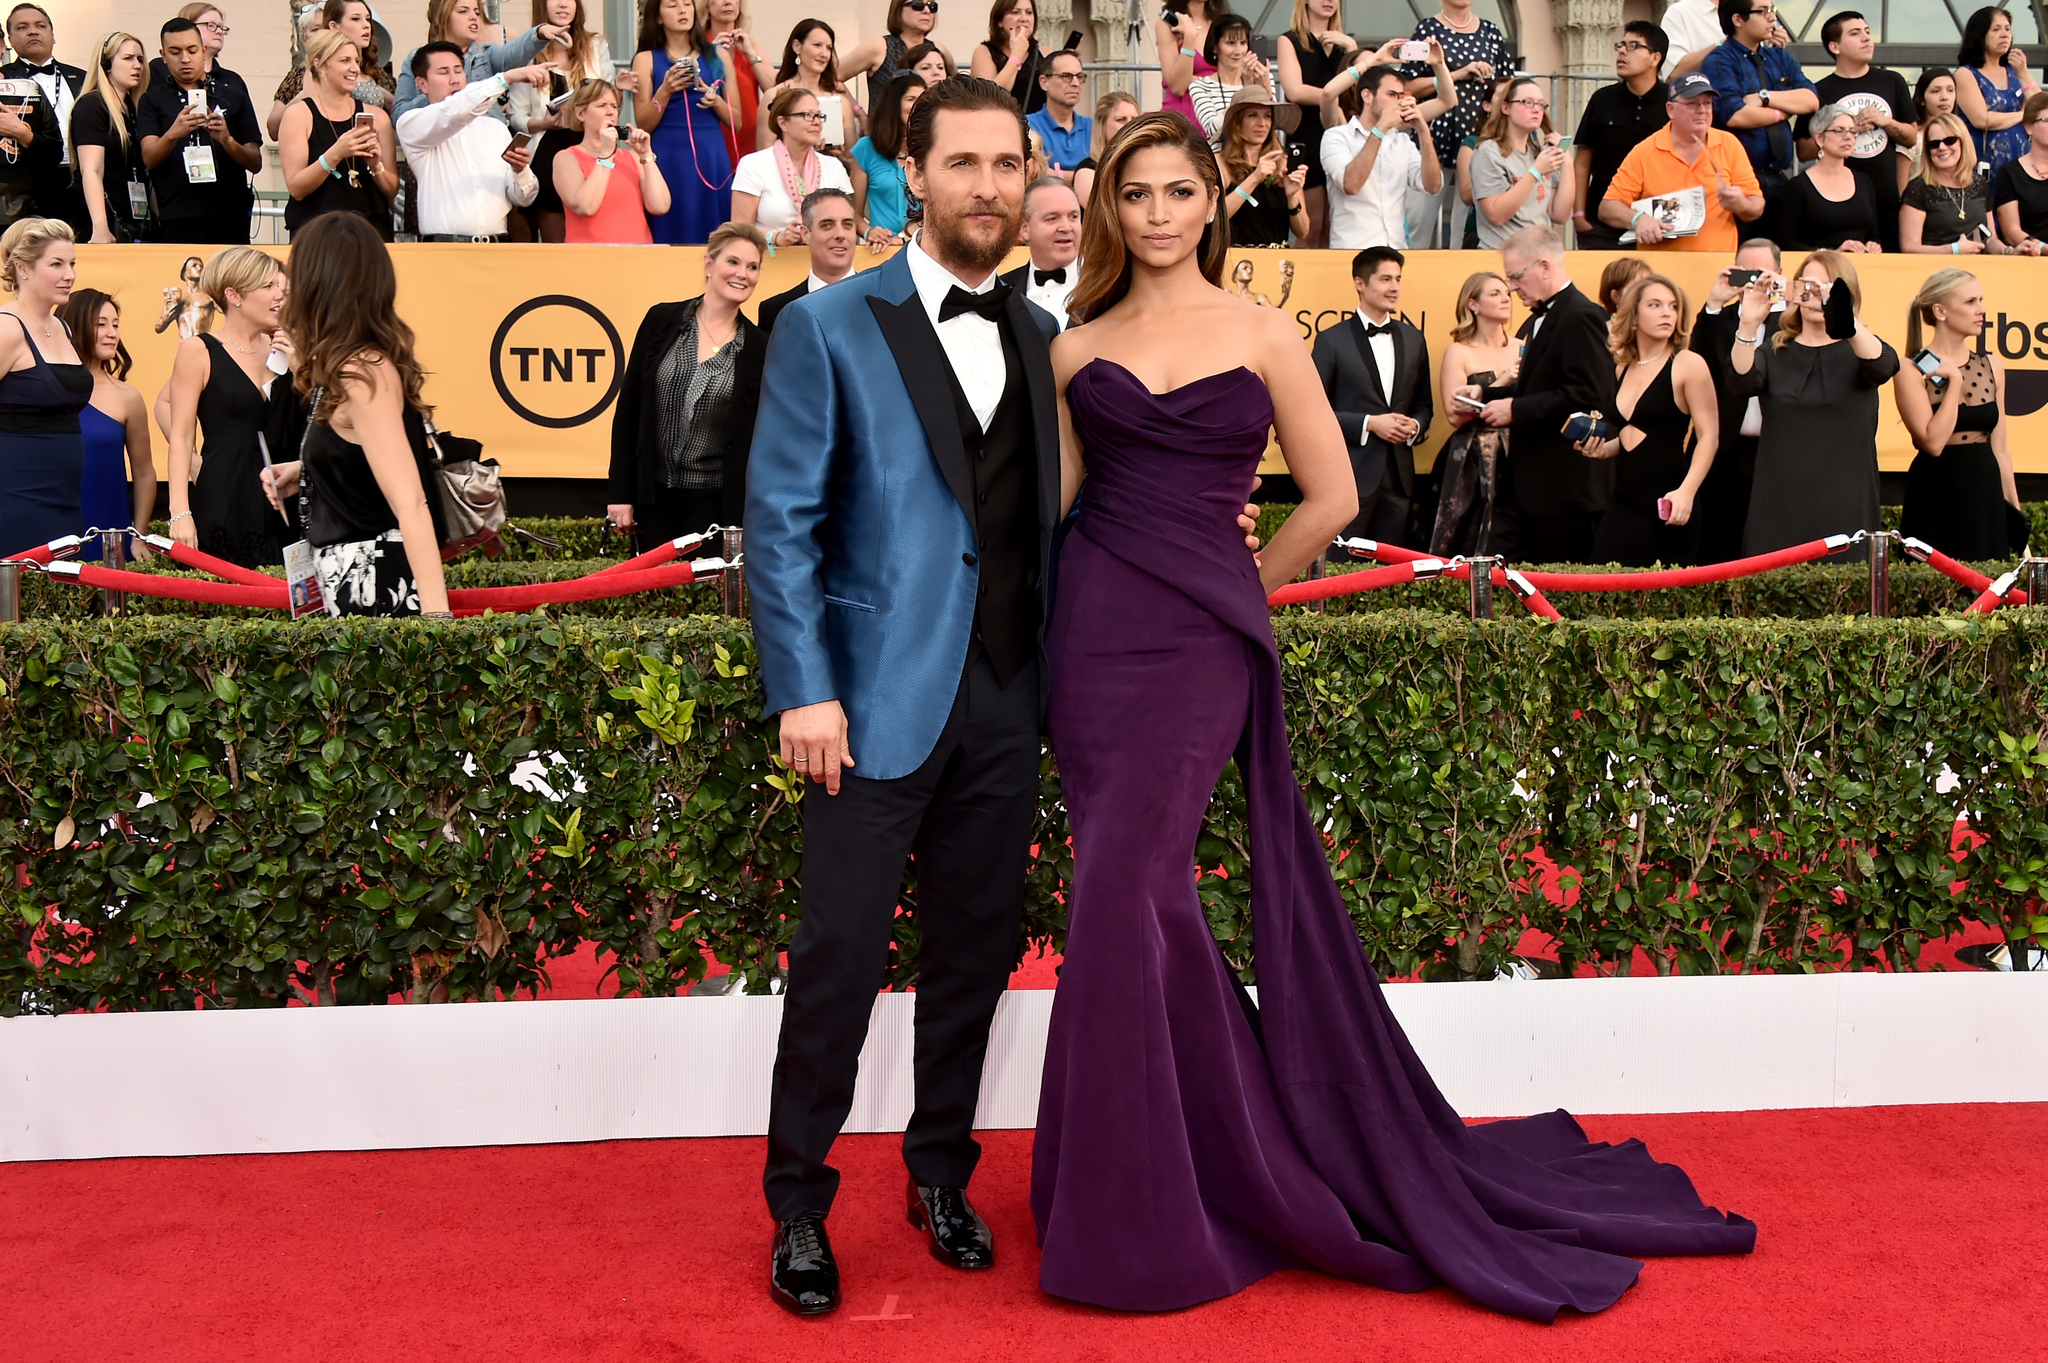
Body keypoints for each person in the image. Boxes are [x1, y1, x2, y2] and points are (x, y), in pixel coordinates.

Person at [1035, 108, 1756, 1317]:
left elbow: (1323, 497)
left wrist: (1235, 592)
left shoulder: (1266, 333)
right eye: (1134, 195)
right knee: (1134, 891)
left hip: (1203, 640)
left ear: (1212, 202)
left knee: (1124, 884)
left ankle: (1158, 1181)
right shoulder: (1071, 345)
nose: (1156, 214)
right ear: (1110, 210)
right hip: (1093, 637)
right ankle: (1190, 1151)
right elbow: (1048, 505)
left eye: (1176, 191)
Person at [743, 75, 1065, 1318]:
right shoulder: (827, 324)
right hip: (867, 701)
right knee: (834, 959)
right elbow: (779, 527)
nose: (987, 187)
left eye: (1006, 165)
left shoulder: (1044, 338)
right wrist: (804, 691)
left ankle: (939, 1175)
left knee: (974, 957)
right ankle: (797, 1204)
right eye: (964, 164)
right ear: (911, 177)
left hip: (1005, 699)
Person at [261, 215, 450, 619]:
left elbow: (411, 503)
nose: (287, 290)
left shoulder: (361, 371)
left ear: (319, 284)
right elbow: (365, 454)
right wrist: (306, 469)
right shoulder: (348, 367)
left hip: (374, 590)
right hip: (353, 584)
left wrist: (438, 627)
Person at [1458, 226, 1616, 564]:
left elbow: (1588, 394)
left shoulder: (1582, 315)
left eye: (1515, 277)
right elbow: (1539, 385)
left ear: (1544, 267)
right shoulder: (1537, 320)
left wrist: (1516, 409)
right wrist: (1485, 392)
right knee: (1494, 575)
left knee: (1560, 592)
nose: (1512, 288)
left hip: (1564, 490)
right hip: (1527, 487)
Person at [1728, 249, 1900, 559]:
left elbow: (1885, 365)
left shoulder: (1861, 350)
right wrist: (1748, 323)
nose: (1815, 295)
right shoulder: (1774, 351)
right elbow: (1740, 382)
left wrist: (1843, 316)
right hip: (1778, 507)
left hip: (1844, 507)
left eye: (1826, 288)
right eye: (1807, 285)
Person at [608, 220, 766, 551]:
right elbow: (629, 409)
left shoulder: (759, 348)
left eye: (753, 267)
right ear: (709, 264)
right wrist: (620, 495)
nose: (743, 274)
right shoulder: (661, 321)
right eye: (733, 262)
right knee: (652, 597)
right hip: (652, 500)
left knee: (705, 598)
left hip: (716, 506)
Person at [164, 246, 298, 568]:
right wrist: (179, 511)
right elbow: (182, 436)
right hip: (223, 500)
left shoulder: (291, 346)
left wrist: (302, 366)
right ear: (233, 295)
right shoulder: (199, 351)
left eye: (280, 288)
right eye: (268, 287)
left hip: (286, 502)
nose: (279, 296)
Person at [1575, 274, 1718, 567]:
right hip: (1623, 502)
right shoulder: (1622, 367)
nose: (1667, 312)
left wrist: (1686, 492)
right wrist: (1605, 449)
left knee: (1663, 601)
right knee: (1604, 589)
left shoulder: (1688, 364)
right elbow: (1638, 431)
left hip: (1669, 500)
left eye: (1673, 306)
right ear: (1634, 317)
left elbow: (1709, 436)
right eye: (1655, 305)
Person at [1896, 268, 2023, 561]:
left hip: (1984, 491)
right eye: (1970, 302)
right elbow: (1933, 442)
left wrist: (2014, 510)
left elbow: (2001, 447)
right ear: (1940, 311)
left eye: (1980, 299)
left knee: (1990, 592)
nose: (1981, 310)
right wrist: (1954, 383)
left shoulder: (1993, 365)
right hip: (1935, 492)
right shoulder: (1910, 369)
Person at [1312, 245, 1427, 547]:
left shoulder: (1414, 339)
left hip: (1400, 478)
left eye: (1398, 279)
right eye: (1385, 279)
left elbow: (1424, 404)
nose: (1394, 288)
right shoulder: (1331, 340)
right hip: (1349, 475)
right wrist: (1369, 423)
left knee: (1392, 571)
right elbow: (1311, 412)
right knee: (1343, 567)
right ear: (1360, 283)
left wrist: (1415, 427)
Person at [1688, 237, 1781, 563]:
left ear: (1779, 274)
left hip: (1777, 450)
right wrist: (1715, 302)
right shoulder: (1719, 319)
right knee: (1717, 541)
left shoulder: (1794, 322)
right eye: (1746, 272)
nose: (1754, 280)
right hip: (1725, 450)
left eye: (1763, 272)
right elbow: (1698, 360)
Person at [0, 217, 88, 558]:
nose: (69, 275)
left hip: (66, 500)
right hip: (15, 501)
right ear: (23, 269)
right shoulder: (8, 328)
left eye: (72, 264)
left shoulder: (62, 327)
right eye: (57, 264)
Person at [1600, 72, 1764, 254]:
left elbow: (1756, 205)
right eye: (1693, 103)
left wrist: (1742, 205)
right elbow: (1608, 207)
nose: (1702, 110)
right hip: (1660, 272)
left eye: (1707, 103)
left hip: (1717, 266)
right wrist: (1638, 219)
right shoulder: (1645, 151)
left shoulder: (1729, 144)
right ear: (1671, 109)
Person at [396, 43, 545, 241]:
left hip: (497, 247)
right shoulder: (412, 123)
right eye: (443, 72)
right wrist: (505, 79)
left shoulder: (495, 128)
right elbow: (452, 111)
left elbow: (523, 198)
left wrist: (520, 171)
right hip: (444, 249)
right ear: (422, 84)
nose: (454, 80)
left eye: (459, 71)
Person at [136, 17, 262, 245]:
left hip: (230, 215)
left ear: (203, 51)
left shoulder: (232, 93)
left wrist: (227, 140)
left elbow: (255, 162)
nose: (185, 59)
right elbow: (149, 158)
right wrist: (174, 133)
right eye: (175, 52)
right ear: (163, 55)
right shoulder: (152, 99)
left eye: (191, 50)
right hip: (177, 216)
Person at [1701, 0, 1818, 241]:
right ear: (1738, 19)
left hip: (1779, 176)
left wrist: (1765, 98)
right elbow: (1735, 115)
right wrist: (1782, 112)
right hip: (1739, 180)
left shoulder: (1779, 58)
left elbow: (1810, 100)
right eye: (1763, 12)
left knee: (1779, 253)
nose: (1772, 18)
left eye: (1772, 11)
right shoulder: (1720, 60)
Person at [1399, 0, 1510, 248]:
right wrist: (1458, 74)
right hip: (1434, 137)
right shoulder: (1427, 29)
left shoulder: (1491, 32)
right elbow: (1408, 86)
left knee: (1464, 225)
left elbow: (1507, 85)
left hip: (1477, 138)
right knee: (1419, 220)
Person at [58, 287, 155, 562]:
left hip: (110, 536)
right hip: (52, 533)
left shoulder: (128, 397)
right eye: (101, 324)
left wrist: (139, 534)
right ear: (74, 324)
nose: (112, 333)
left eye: (115, 325)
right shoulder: (44, 389)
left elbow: (145, 472)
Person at [631, 0, 734, 245]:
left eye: (687, 4)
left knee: (713, 228)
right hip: (668, 153)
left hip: (710, 151)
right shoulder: (646, 59)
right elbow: (644, 123)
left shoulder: (717, 55)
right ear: (657, 16)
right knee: (669, 221)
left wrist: (715, 99)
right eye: (672, 5)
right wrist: (665, 91)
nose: (682, 10)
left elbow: (736, 119)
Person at [279, 29, 399, 238]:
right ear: (320, 65)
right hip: (317, 232)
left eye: (356, 60)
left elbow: (391, 190)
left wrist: (375, 165)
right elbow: (297, 187)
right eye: (345, 60)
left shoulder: (378, 117)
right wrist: (335, 154)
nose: (354, 68)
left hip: (370, 231)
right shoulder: (298, 115)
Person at [1811, 11, 1913, 253]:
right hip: (1839, 207)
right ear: (1834, 46)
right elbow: (1804, 148)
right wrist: (1848, 129)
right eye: (1855, 34)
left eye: (1867, 32)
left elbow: (1910, 137)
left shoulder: (1892, 81)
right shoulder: (1819, 90)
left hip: (1887, 202)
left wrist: (1885, 121)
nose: (1867, 38)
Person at [1430, 269, 1516, 555]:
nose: (1506, 299)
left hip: (1519, 452)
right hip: (1472, 460)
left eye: (1507, 293)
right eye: (1495, 294)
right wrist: (1502, 382)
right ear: (1473, 304)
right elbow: (1454, 414)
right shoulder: (1459, 351)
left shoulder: (1522, 347)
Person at [1320, 65, 1441, 251]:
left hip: (1395, 249)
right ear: (1367, 96)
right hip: (1352, 250)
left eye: (1401, 96)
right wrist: (1381, 129)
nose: (1398, 103)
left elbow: (1433, 186)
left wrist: (1423, 130)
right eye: (1392, 95)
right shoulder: (1336, 136)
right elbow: (1351, 184)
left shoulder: (1403, 142)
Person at [1570, 21, 1668, 251]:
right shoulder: (1602, 99)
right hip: (1601, 221)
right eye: (1621, 45)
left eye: (1634, 46)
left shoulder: (1673, 101)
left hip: (1658, 222)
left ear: (1655, 58)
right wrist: (1579, 214)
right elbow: (1582, 161)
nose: (1622, 51)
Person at [394, 0, 563, 124]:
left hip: (488, 147)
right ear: (441, 18)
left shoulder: (486, 55)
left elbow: (512, 53)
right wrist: (434, 97)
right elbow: (399, 115)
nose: (473, 17)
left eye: (476, 12)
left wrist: (539, 33)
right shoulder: (416, 58)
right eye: (463, 11)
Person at [1276, 0, 1355, 248]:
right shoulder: (1289, 40)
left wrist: (1352, 48)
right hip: (1306, 134)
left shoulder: (1345, 43)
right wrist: (1331, 96)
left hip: (1340, 132)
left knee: (1334, 226)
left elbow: (1360, 89)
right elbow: (1295, 90)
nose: (1329, 1)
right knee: (1311, 225)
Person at [733, 87, 853, 245]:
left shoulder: (833, 166)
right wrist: (776, 238)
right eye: (808, 115)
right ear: (783, 123)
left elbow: (848, 221)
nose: (816, 122)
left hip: (824, 257)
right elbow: (739, 228)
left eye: (819, 116)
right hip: (772, 259)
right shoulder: (754, 164)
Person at [4, 4, 84, 232]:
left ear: (53, 35)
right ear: (10, 38)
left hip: (79, 179)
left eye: (40, 26)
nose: (33, 31)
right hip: (28, 188)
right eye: (22, 27)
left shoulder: (82, 78)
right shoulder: (4, 79)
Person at [555, 79, 666, 243]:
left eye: (614, 106)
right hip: (591, 258)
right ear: (581, 114)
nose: (610, 112)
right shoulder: (566, 158)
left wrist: (647, 155)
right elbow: (586, 206)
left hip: (635, 256)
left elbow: (660, 206)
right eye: (602, 106)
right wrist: (606, 154)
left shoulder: (632, 158)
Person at [266, 0, 395, 142]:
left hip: (374, 151)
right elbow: (315, 124)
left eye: (368, 19)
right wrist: (306, 94)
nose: (366, 25)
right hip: (334, 152)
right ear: (334, 26)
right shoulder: (318, 68)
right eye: (356, 19)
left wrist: (386, 97)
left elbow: (397, 114)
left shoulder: (376, 71)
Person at [1470, 76, 1573, 250]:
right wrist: (1535, 173)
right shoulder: (1489, 151)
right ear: (1505, 107)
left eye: (1541, 104)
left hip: (1540, 254)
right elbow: (1496, 214)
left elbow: (1560, 215)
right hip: (1502, 255)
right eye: (1527, 102)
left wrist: (1567, 162)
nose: (1537, 110)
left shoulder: (1541, 153)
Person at [71, 32, 151, 244]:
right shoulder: (92, 106)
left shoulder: (133, 109)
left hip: (135, 219)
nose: (137, 66)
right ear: (106, 64)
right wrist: (101, 228)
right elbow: (92, 170)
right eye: (128, 58)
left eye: (140, 59)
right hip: (104, 221)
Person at [755, 186, 857, 336]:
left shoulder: (884, 302)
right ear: (805, 234)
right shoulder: (775, 312)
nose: (840, 234)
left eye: (847, 225)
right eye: (827, 225)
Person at [1214, 85, 1307, 248]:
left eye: (1268, 116)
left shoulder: (1284, 163)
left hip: (1277, 261)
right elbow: (1214, 218)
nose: (1262, 123)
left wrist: (1292, 197)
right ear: (1237, 121)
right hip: (1237, 261)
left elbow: (1303, 231)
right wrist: (1255, 179)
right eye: (1252, 115)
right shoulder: (1221, 163)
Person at [1784, 104, 1881, 251]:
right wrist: (1831, 253)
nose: (1848, 136)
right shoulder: (1798, 186)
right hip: (1819, 268)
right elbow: (1786, 242)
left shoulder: (1864, 182)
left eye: (1852, 131)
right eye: (1839, 131)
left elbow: (1873, 235)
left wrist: (1874, 245)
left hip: (1862, 266)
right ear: (1819, 138)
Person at [1902, 113, 2000, 254]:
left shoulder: (1979, 183)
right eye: (1934, 144)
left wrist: (2010, 251)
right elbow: (1909, 248)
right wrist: (1953, 249)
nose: (1942, 147)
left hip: (1979, 269)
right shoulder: (1918, 189)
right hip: (1938, 272)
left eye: (1950, 140)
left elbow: (1991, 239)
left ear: (1962, 142)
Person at [1954, 5, 2032, 183]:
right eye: (1996, 29)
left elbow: (2039, 109)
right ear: (1980, 36)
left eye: (2007, 29)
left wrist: (2025, 74)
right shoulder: (1966, 74)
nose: (2004, 34)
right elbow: (1982, 119)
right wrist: (2023, 115)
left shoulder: (2015, 72)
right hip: (1984, 164)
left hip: (2021, 161)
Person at [761, 20, 859, 152]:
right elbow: (764, 150)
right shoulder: (774, 96)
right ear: (797, 46)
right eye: (817, 45)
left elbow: (852, 156)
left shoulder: (841, 101)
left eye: (829, 48)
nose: (824, 54)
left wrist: (834, 156)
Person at [999, 175, 1081, 327]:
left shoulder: (1109, 285)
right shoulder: (1000, 289)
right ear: (1025, 229)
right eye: (1052, 218)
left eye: (1073, 217)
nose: (1066, 227)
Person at [852, 73, 922, 242]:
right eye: (911, 99)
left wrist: (904, 237)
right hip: (883, 248)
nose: (918, 105)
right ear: (893, 105)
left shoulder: (931, 148)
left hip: (923, 245)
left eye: (922, 99)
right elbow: (854, 214)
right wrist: (870, 233)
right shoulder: (866, 148)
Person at [1187, 15, 1271, 150]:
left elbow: (1276, 125)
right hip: (1222, 159)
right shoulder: (1201, 87)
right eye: (1230, 43)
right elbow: (1213, 131)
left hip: (1260, 157)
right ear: (1215, 47)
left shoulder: (1262, 78)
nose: (1238, 51)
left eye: (1243, 43)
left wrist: (1264, 85)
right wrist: (1247, 91)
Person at [701, 0, 769, 162]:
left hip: (749, 141)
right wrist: (710, 55)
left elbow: (774, 90)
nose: (727, 2)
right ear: (707, 6)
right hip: (714, 137)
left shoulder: (750, 45)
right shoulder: (699, 46)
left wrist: (751, 55)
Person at [1453, 72, 1514, 250]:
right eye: (1503, 95)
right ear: (1487, 106)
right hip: (1484, 234)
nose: (1508, 101)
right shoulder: (1473, 144)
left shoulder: (1530, 147)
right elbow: (1466, 195)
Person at [838, 0, 937, 107]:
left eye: (932, 6)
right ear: (898, 9)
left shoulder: (937, 50)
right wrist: (857, 111)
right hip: (885, 123)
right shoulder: (879, 47)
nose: (927, 11)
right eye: (917, 5)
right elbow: (831, 77)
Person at [1994, 90, 2048, 253]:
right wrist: (2041, 247)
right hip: (2031, 256)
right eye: (2046, 120)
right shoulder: (2010, 173)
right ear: (2029, 127)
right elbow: (2011, 232)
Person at [1155, 0, 1222, 128]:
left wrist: (1197, 80)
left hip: (1215, 113)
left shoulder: (1220, 22)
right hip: (1181, 119)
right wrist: (1189, 37)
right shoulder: (1167, 23)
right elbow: (1178, 86)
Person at [971, 0, 1044, 115]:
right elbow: (990, 99)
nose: (1024, 18)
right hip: (999, 125)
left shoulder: (1044, 52)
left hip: (1037, 129)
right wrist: (1016, 56)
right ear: (1000, 21)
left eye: (1029, 12)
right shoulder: (984, 52)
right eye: (1015, 12)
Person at [1027, 48, 1090, 177]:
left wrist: (1056, 174)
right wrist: (1084, 176)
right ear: (1044, 82)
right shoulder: (1028, 125)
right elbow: (1035, 173)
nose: (1075, 83)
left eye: (1080, 76)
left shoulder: (1093, 127)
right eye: (1066, 76)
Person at [1071, 89, 1136, 210]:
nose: (1129, 125)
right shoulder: (1087, 171)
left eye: (1134, 119)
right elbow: (1103, 213)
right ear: (1102, 125)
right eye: (1121, 119)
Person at [1905, 66, 1958, 185]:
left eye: (1950, 90)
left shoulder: (1962, 133)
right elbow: (1901, 188)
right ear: (1921, 99)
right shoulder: (1913, 138)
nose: (1944, 97)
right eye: (1936, 91)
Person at [1659, 0, 1726, 80]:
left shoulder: (1742, 8)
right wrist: (1722, 44)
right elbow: (1674, 73)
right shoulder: (1679, 12)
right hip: (1708, 91)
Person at [155, 253, 215, 336]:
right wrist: (165, 318)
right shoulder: (179, 298)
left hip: (203, 344)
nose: (199, 268)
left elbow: (229, 313)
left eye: (201, 266)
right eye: (194, 265)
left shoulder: (209, 295)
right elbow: (159, 328)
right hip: (184, 345)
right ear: (184, 272)